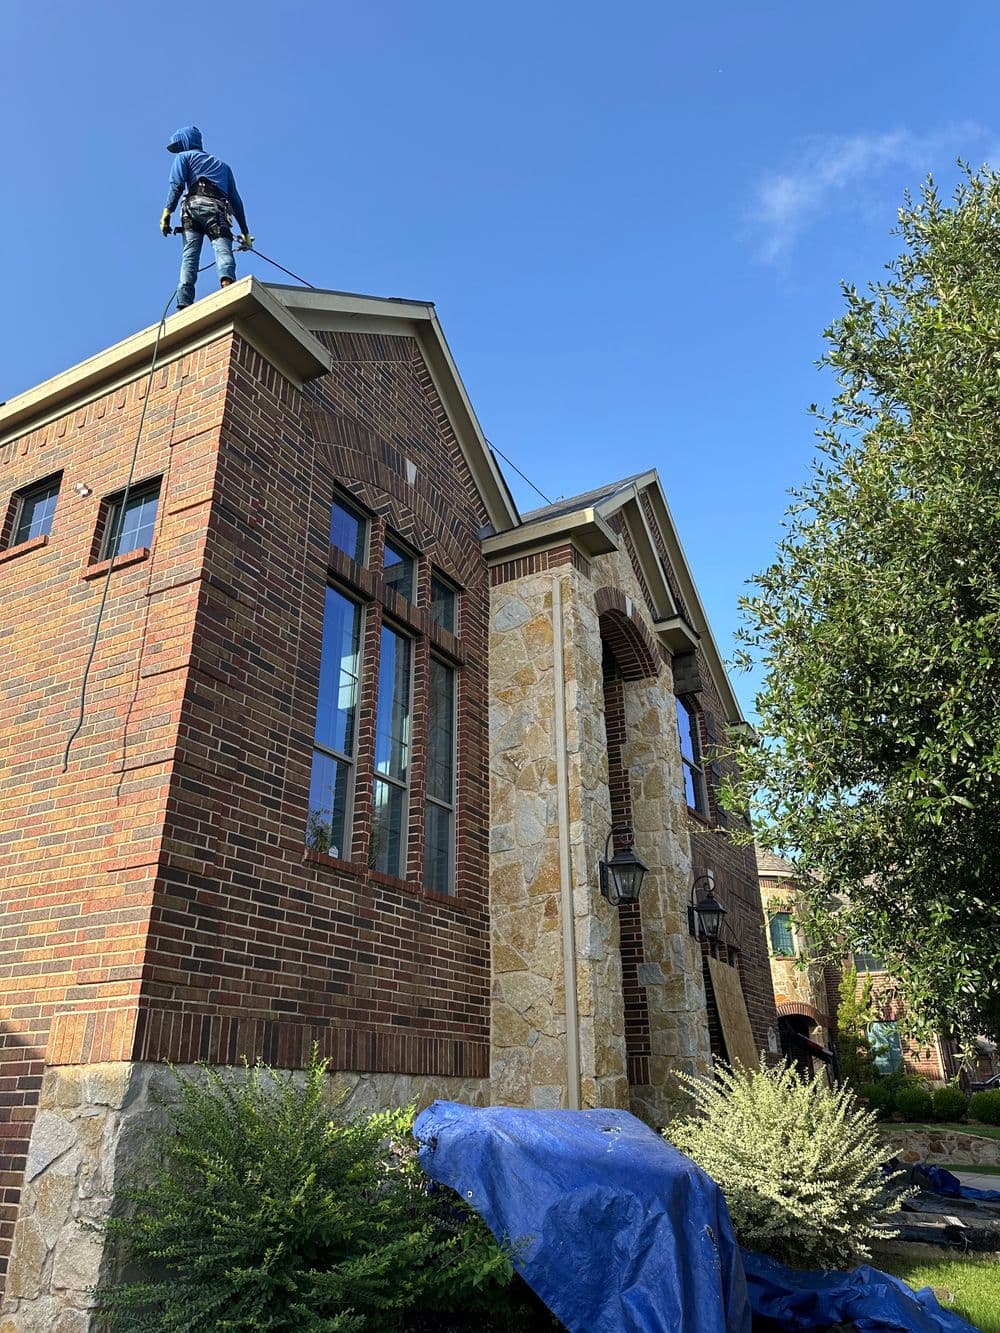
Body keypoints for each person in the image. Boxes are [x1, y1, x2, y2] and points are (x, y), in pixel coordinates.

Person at [159, 126, 254, 310]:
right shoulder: (224, 167)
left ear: (186, 141)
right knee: (222, 249)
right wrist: (245, 233)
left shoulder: (184, 157)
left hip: (191, 208)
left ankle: (184, 302)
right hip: (216, 209)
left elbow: (177, 186)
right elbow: (236, 201)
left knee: (190, 255)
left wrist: (167, 212)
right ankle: (227, 284)